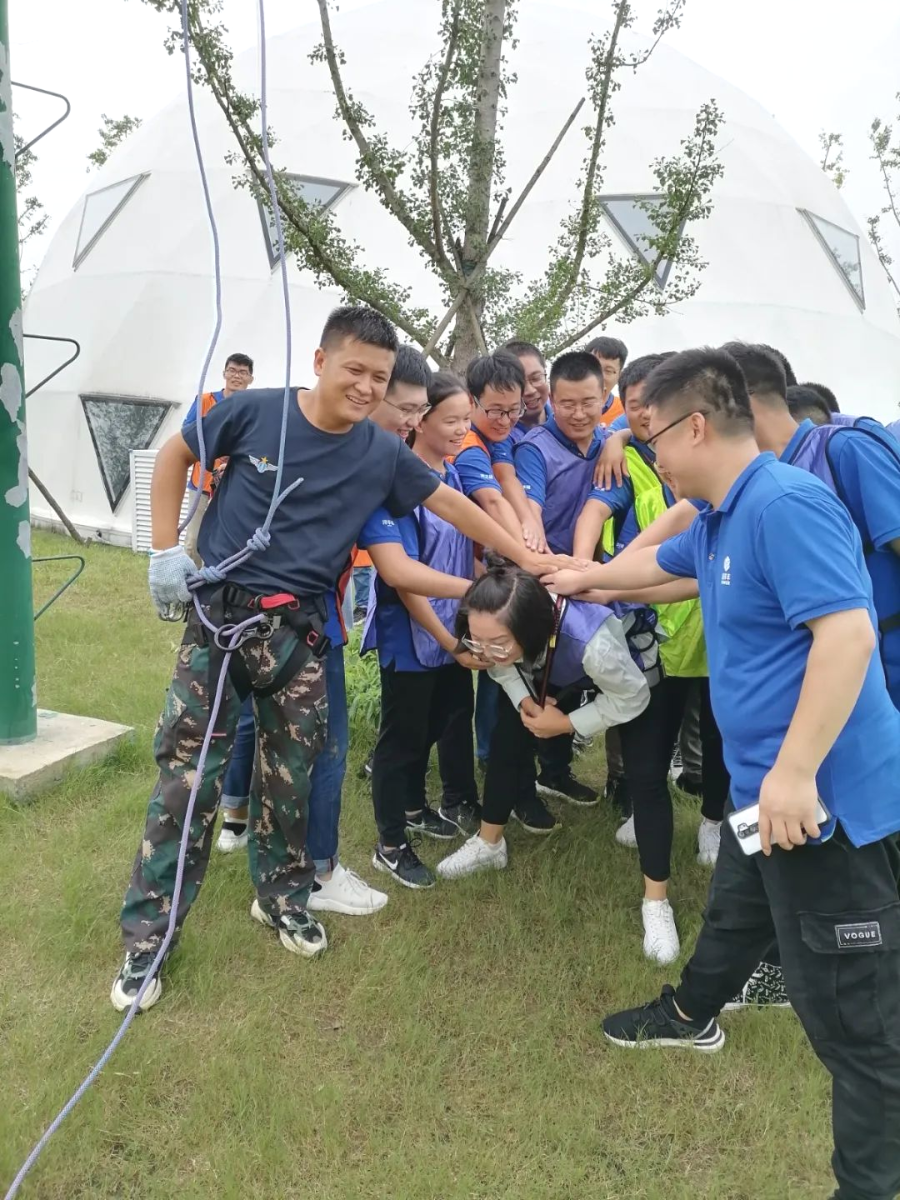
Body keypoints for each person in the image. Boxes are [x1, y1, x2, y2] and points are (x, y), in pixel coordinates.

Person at [112, 305, 574, 1013]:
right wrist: (165, 551)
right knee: (187, 779)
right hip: (221, 625)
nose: (366, 387)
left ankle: (283, 898)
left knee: (292, 776)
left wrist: (528, 558)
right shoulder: (255, 412)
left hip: (301, 634)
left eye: (379, 378)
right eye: (355, 369)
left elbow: (453, 506)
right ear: (322, 361)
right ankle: (149, 940)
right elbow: (177, 455)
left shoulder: (379, 453)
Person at [549, 347, 900, 1200]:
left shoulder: (785, 504)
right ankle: (689, 1015)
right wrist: (584, 578)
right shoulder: (720, 516)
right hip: (763, 795)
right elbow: (663, 571)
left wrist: (795, 773)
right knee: (737, 917)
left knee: (857, 1025)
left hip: (817, 806)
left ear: (696, 426)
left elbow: (848, 635)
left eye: (652, 438)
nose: (650, 456)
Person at [569, 352, 728, 960]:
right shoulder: (640, 468)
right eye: (635, 413)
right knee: (647, 765)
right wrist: (590, 576)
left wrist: (598, 581)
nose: (651, 442)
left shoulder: (742, 492)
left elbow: (684, 572)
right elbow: (646, 554)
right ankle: (654, 901)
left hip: (715, 645)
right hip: (653, 640)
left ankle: (712, 823)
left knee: (718, 746)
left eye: (655, 423)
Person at [435, 561, 652, 880]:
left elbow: (633, 695)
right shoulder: (497, 627)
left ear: (530, 629)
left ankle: (642, 813)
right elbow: (500, 665)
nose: (486, 654)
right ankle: (489, 844)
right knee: (508, 735)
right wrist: (526, 700)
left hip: (627, 668)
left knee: (641, 744)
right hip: (552, 656)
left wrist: (565, 724)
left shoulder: (594, 646)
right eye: (477, 641)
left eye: (498, 643)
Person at [360, 371, 485, 888]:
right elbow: (406, 582)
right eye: (451, 420)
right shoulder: (396, 486)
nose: (461, 430)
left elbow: (463, 550)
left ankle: (413, 807)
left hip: (451, 625)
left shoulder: (451, 477)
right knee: (402, 740)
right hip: (412, 632)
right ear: (420, 420)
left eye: (466, 420)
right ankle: (389, 845)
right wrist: (451, 641)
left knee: (446, 718)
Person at [513, 349, 616, 809]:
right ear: (551, 399)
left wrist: (617, 438)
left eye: (588, 402)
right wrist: (551, 563)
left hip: (584, 580)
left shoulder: (607, 443)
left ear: (604, 396)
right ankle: (515, 785)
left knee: (572, 677)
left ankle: (554, 772)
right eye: (567, 403)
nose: (578, 414)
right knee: (529, 683)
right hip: (541, 578)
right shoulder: (534, 449)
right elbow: (529, 513)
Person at [181, 352, 254, 567]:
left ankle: (213, 582)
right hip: (202, 482)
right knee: (192, 541)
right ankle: (190, 583)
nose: (236, 376)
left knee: (225, 541)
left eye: (243, 372)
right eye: (232, 370)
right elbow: (187, 433)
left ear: (251, 378)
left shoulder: (254, 406)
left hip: (236, 484)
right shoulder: (205, 401)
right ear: (224, 373)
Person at [585, 335, 627, 426]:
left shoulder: (626, 412)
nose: (599, 376)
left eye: (608, 371)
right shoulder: (559, 403)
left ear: (620, 376)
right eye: (593, 367)